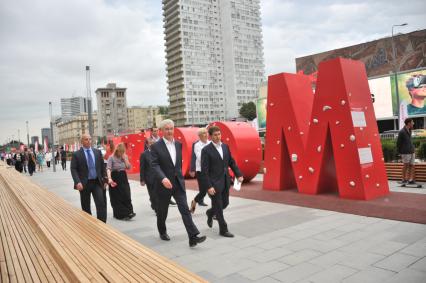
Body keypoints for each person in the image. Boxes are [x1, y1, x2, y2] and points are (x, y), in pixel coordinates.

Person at [151, 119, 206, 247]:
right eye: (167, 129)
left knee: (185, 210)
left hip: (178, 183)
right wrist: (163, 178)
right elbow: (154, 165)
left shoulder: (178, 144)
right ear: (162, 131)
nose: (170, 131)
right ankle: (162, 231)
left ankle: (193, 237)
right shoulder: (155, 147)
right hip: (164, 185)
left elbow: (177, 165)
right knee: (162, 211)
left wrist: (180, 176)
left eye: (171, 128)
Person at [201, 126, 243, 238]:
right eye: (215, 135)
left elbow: (231, 162)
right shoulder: (206, 150)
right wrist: (209, 186)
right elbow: (204, 171)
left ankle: (210, 213)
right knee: (219, 207)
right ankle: (223, 229)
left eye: (219, 134)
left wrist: (238, 174)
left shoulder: (225, 146)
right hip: (213, 184)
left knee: (225, 203)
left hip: (225, 181)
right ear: (210, 136)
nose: (218, 136)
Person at [71, 134, 108, 223]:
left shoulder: (97, 152)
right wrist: (77, 182)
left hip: (97, 182)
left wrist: (105, 180)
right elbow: (73, 169)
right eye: (86, 139)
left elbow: (102, 167)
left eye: (90, 139)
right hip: (84, 184)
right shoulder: (76, 154)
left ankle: (102, 224)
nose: (89, 141)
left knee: (101, 203)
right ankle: (89, 224)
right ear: (82, 142)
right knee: (86, 206)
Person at [106, 143, 135, 220]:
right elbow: (108, 169)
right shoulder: (111, 158)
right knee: (117, 197)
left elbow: (128, 167)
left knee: (126, 193)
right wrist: (109, 178)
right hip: (115, 177)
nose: (121, 153)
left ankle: (129, 212)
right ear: (117, 150)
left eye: (123, 152)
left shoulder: (124, 156)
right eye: (120, 152)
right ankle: (120, 214)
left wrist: (125, 159)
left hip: (123, 176)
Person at [189, 128, 210, 213]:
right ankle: (194, 201)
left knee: (215, 190)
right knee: (203, 192)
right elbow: (200, 157)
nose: (205, 135)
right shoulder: (197, 145)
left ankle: (216, 210)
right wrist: (192, 169)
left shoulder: (210, 143)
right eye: (203, 133)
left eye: (206, 133)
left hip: (211, 170)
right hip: (201, 171)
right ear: (199, 136)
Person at [397, 118, 417, 186]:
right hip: (405, 152)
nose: (413, 123)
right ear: (408, 123)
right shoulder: (402, 132)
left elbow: (409, 141)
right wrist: (399, 152)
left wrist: (413, 148)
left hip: (411, 151)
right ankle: (404, 179)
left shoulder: (410, 130)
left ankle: (411, 179)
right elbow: (398, 143)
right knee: (406, 165)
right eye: (412, 122)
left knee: (412, 165)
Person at [140, 137, 158, 213]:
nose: (152, 144)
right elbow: (142, 168)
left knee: (158, 195)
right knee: (153, 195)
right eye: (150, 143)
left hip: (159, 177)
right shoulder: (144, 154)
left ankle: (157, 208)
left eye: (153, 143)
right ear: (147, 145)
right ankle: (155, 206)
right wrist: (142, 179)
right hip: (149, 178)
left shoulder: (158, 152)